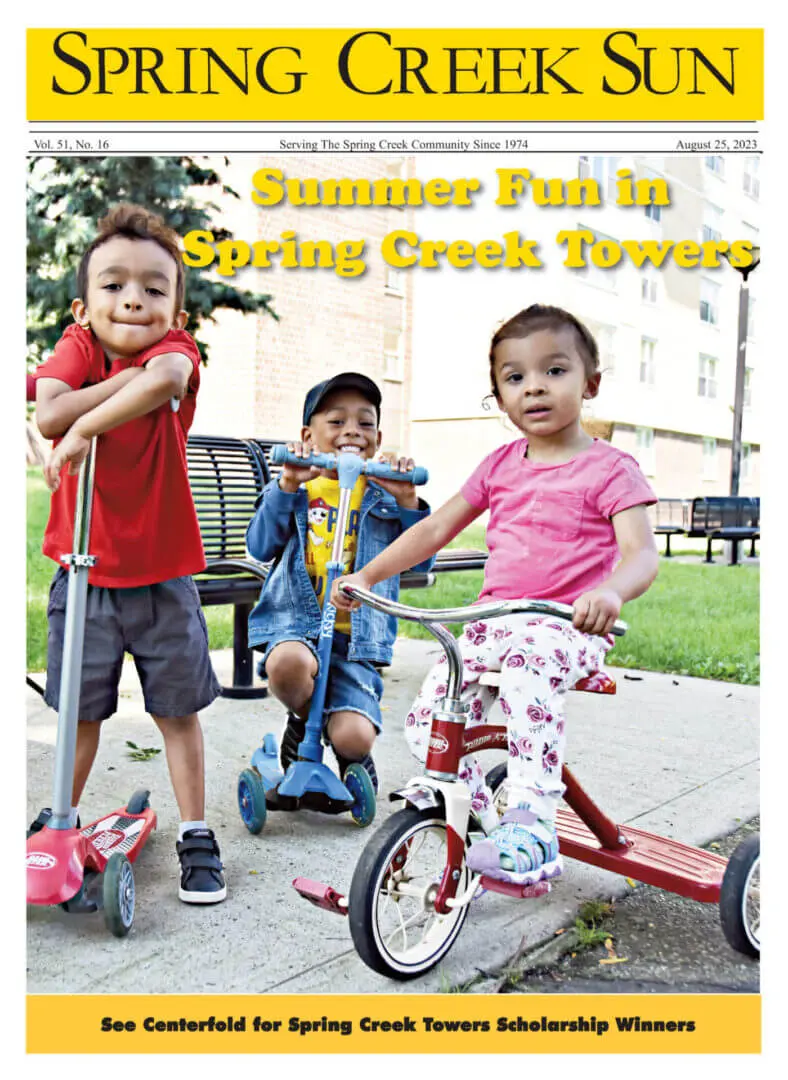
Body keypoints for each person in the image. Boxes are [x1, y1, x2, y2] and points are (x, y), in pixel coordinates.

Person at [333, 305, 659, 885]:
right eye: (514, 378)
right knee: (428, 725)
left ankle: (533, 821)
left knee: (528, 669)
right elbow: (434, 530)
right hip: (494, 624)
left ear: (591, 384)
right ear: (500, 398)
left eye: (553, 371)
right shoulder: (500, 465)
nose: (533, 386)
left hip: (565, 626)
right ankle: (486, 820)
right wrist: (368, 575)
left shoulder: (612, 469)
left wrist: (609, 592)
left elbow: (641, 554)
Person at [32, 203, 226, 904]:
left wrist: (84, 417)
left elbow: (164, 380)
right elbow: (48, 413)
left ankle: (197, 832)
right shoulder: (75, 345)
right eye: (114, 285)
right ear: (85, 306)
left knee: (177, 711)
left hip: (161, 573)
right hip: (80, 572)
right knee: (79, 712)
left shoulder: (179, 351)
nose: (134, 298)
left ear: (176, 307)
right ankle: (60, 818)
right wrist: (83, 414)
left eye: (153, 287)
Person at [246, 372, 433, 789]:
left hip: (357, 639)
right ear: (307, 435)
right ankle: (303, 721)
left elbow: (419, 567)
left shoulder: (385, 494)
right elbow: (259, 546)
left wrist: (407, 501)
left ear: (379, 436)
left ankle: (338, 738)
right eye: (336, 421)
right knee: (288, 665)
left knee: (354, 739)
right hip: (297, 625)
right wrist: (287, 484)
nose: (352, 431)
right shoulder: (296, 487)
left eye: (365, 423)